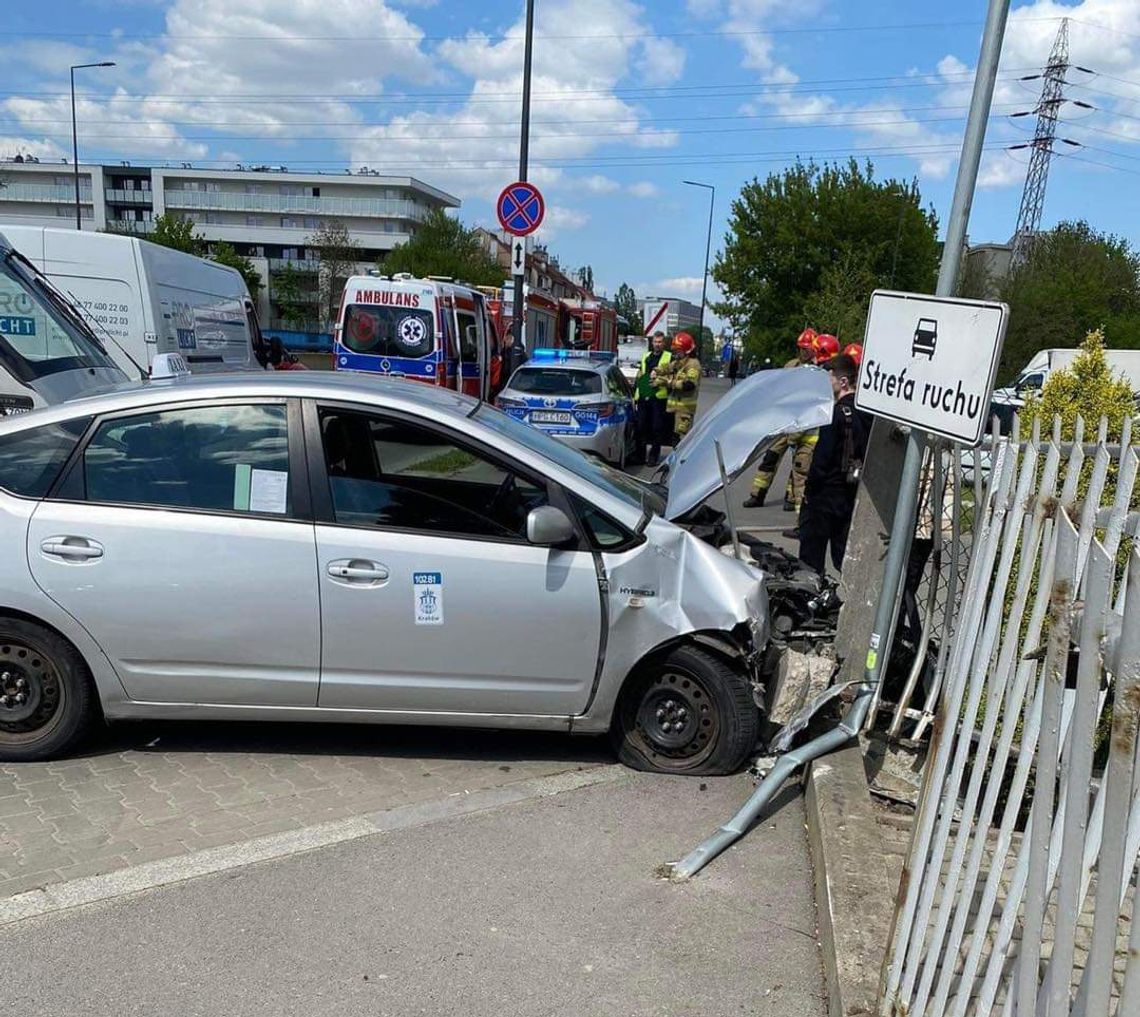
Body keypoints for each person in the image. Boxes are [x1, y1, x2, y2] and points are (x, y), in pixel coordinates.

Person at [797, 353, 871, 575]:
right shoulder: (867, 412)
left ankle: (810, 600)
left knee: (810, 558)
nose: (826, 386)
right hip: (850, 493)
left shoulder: (836, 413)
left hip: (824, 495)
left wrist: (809, 491)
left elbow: (822, 458)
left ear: (843, 381)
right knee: (843, 557)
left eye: (829, 379)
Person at [743, 328, 823, 511]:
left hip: (803, 424)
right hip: (783, 423)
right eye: (801, 348)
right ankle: (757, 495)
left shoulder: (818, 370)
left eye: (807, 348)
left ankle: (791, 498)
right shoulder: (790, 365)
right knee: (769, 459)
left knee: (798, 464)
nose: (803, 352)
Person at [654, 331, 701, 444]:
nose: (675, 353)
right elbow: (667, 368)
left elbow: (689, 385)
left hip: (684, 411)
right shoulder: (679, 362)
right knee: (671, 439)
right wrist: (657, 371)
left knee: (680, 441)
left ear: (685, 350)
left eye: (677, 350)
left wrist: (670, 383)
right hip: (673, 409)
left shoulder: (693, 364)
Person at [633, 331, 671, 466]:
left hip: (658, 397)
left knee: (656, 428)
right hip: (643, 395)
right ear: (652, 342)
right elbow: (641, 373)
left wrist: (659, 380)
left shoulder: (668, 357)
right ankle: (640, 456)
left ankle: (653, 457)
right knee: (640, 427)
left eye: (660, 342)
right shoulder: (646, 356)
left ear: (664, 343)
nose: (657, 344)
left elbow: (671, 378)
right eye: (655, 342)